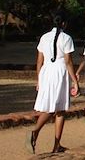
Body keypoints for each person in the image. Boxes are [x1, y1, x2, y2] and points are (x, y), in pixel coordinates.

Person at [26, 13, 79, 155]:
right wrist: (75, 81)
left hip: (46, 71)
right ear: (64, 24)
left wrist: (39, 79)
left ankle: (57, 145)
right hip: (59, 72)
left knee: (55, 107)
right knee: (58, 108)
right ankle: (35, 132)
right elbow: (68, 61)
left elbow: (39, 61)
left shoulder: (44, 37)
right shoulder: (66, 38)